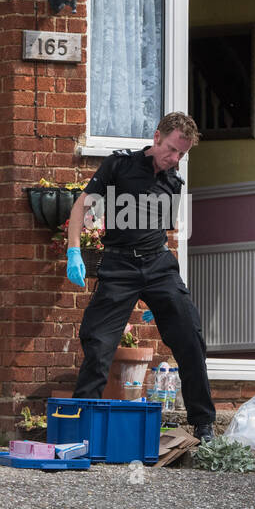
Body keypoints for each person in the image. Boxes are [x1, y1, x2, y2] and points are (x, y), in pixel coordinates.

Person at [64, 112, 217, 441]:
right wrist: (74, 251)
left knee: (190, 336)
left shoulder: (174, 181)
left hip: (159, 266)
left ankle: (203, 423)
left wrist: (166, 296)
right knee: (98, 343)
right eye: (172, 149)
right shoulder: (118, 166)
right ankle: (80, 427)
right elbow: (81, 208)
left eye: (182, 154)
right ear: (157, 136)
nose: (174, 159)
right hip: (119, 266)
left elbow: (160, 233)